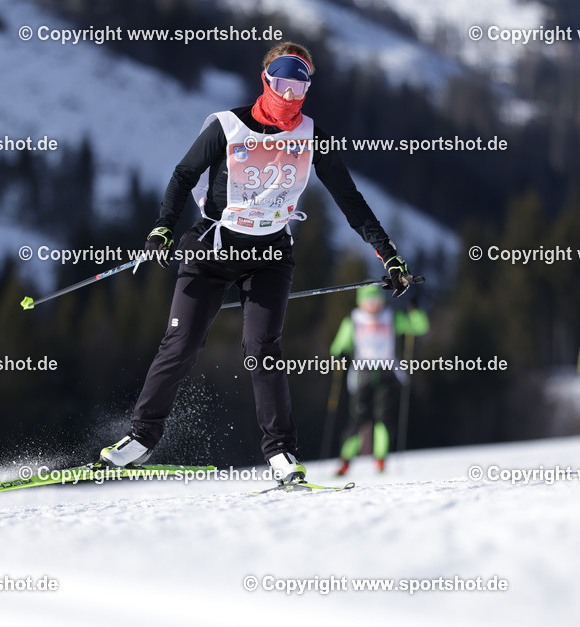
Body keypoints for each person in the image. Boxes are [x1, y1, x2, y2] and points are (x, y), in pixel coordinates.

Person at [94, 42, 420, 485]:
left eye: (299, 82)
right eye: (282, 81)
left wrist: (388, 252)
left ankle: (281, 452)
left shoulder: (312, 137)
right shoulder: (228, 127)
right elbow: (183, 175)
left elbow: (351, 201)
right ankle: (141, 439)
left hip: (269, 257)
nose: (290, 94)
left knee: (262, 350)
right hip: (212, 249)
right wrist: (163, 228)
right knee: (182, 343)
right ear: (265, 80)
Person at [330, 286, 428, 475]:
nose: (373, 305)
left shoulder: (391, 317)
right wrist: (339, 354)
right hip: (362, 374)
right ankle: (345, 461)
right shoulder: (353, 319)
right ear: (361, 302)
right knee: (358, 419)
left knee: (384, 419)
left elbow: (419, 327)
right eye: (369, 301)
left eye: (377, 301)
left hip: (386, 372)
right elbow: (339, 344)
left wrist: (415, 310)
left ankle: (381, 460)